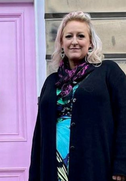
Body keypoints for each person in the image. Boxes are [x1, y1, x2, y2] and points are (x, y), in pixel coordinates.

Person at [29, 11, 126, 181]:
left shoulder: (108, 72)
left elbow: (124, 118)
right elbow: (39, 136)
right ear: (62, 43)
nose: (74, 41)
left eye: (81, 36)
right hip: (54, 170)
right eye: (69, 36)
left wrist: (121, 164)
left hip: (95, 166)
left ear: (90, 43)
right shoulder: (51, 82)